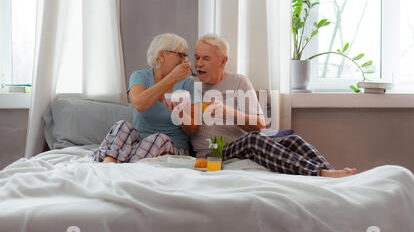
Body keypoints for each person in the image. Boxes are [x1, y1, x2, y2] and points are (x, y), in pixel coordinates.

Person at [191, 33, 357, 178]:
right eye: (197, 57)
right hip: (213, 153)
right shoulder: (190, 86)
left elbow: (259, 125)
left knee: (293, 140)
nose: (198, 64)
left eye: (206, 58)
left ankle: (335, 175)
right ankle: (321, 173)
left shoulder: (238, 82)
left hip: (240, 147)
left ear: (223, 61)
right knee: (253, 141)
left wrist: (227, 112)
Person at [92, 33, 199, 163]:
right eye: (180, 55)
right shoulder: (140, 76)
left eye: (185, 56)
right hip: (138, 147)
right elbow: (139, 104)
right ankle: (110, 164)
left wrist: (180, 114)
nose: (184, 60)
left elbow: (193, 129)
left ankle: (113, 162)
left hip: (173, 149)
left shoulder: (189, 84)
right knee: (122, 125)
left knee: (159, 138)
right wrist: (170, 79)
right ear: (162, 55)